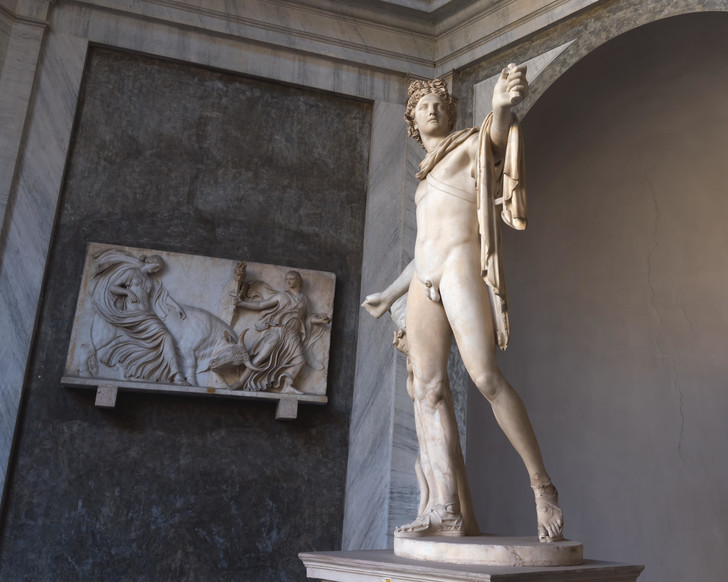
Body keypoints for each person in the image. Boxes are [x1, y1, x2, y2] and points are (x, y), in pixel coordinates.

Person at [362, 67, 564, 542]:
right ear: (412, 121)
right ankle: (446, 510)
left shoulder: (467, 145)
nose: (431, 109)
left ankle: (542, 486)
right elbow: (423, 247)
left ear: (451, 114)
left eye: (439, 104)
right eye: (422, 106)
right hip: (423, 279)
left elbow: (495, 142)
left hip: (459, 267)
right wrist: (391, 292)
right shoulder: (422, 180)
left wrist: (500, 106)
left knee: (486, 378)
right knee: (428, 389)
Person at [88, 249, 188, 384]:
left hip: (147, 315)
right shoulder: (132, 272)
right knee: (166, 337)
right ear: (149, 262)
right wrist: (128, 292)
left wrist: (177, 307)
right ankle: (177, 376)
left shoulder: (150, 281)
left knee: (167, 338)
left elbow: (162, 296)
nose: (156, 270)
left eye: (158, 269)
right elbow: (112, 287)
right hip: (133, 316)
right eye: (156, 267)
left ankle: (176, 375)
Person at [231, 271, 331, 393]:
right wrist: (242, 303)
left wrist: (320, 320)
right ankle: (240, 382)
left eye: (291, 279)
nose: (288, 281)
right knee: (262, 356)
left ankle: (287, 386)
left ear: (298, 280)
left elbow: (308, 317)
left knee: (300, 360)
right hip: (278, 331)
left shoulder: (304, 299)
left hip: (292, 334)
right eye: (287, 279)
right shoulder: (282, 296)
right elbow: (261, 305)